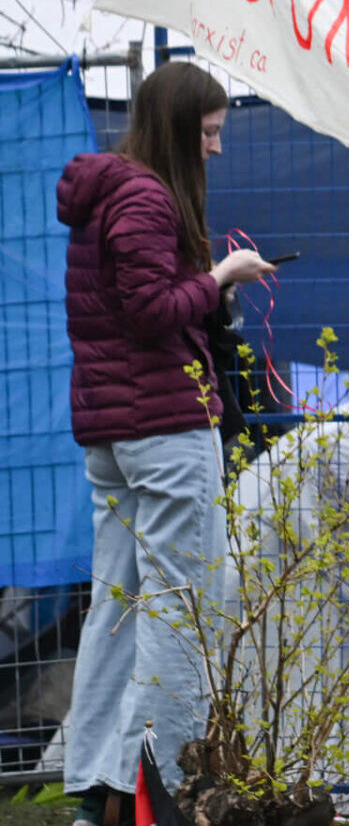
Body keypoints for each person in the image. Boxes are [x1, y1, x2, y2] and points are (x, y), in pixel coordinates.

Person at [57, 63, 276, 826]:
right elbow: (152, 311)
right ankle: (150, 790)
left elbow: (115, 311)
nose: (215, 148)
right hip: (165, 424)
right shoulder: (148, 196)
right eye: (210, 132)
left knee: (114, 610)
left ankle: (95, 793)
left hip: (111, 432)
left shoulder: (103, 194)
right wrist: (222, 275)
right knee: (181, 606)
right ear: (182, 128)